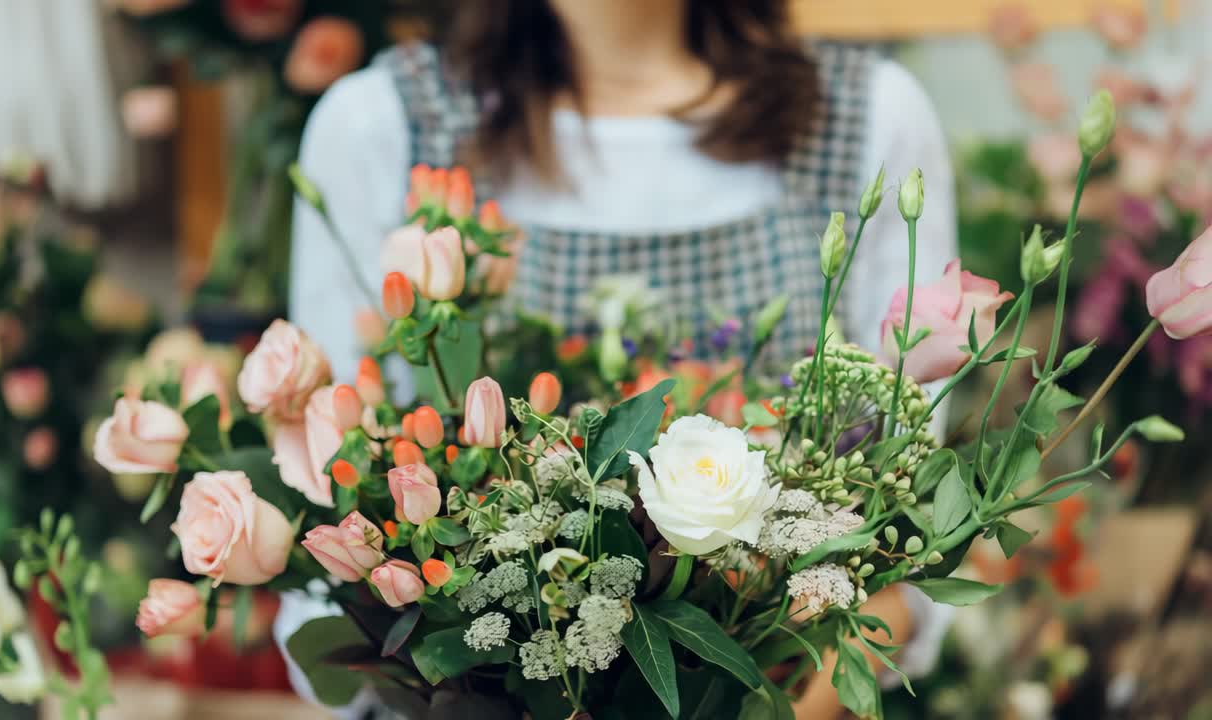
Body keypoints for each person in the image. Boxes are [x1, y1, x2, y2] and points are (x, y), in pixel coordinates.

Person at [279, 1, 956, 716]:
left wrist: (819, 679)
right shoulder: (379, 125)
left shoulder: (865, 117)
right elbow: (335, 492)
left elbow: (909, 533)